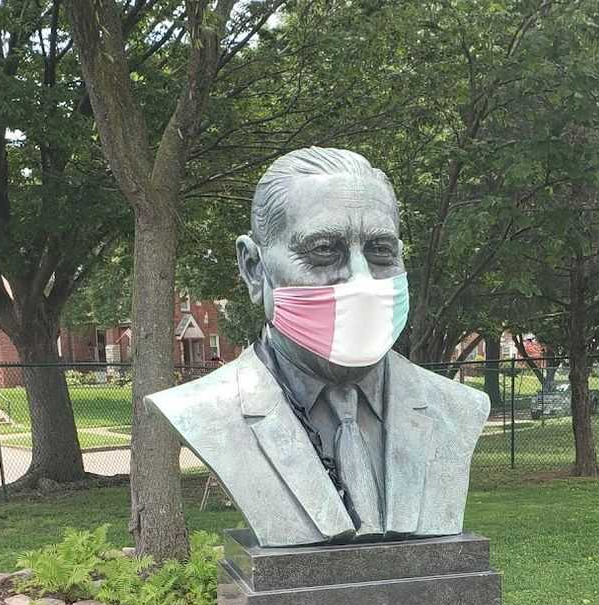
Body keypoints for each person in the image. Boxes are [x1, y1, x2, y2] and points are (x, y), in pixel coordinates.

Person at [146, 147, 489, 547]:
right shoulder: (204, 412)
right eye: (324, 251)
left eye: (381, 251)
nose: (361, 281)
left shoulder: (458, 409)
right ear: (254, 269)